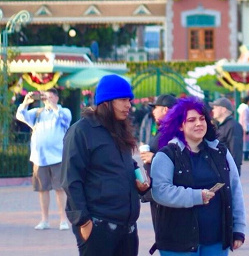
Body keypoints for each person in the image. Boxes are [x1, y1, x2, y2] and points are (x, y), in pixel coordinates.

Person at [61, 74, 150, 256]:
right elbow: (71, 179)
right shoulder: (81, 131)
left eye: (130, 100)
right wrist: (83, 222)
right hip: (98, 226)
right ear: (107, 102)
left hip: (127, 228)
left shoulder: (119, 129)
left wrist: (138, 179)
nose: (129, 105)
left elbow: (124, 163)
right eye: (123, 100)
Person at [150, 97, 246, 255]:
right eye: (191, 120)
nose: (199, 124)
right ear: (180, 126)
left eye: (202, 119)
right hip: (177, 242)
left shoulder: (220, 152)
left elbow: (235, 190)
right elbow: (160, 191)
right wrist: (197, 196)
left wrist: (238, 229)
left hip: (216, 240)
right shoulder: (167, 155)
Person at [16, 88, 72, 230]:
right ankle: (44, 220)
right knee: (42, 189)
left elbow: (65, 120)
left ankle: (63, 220)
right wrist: (26, 102)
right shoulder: (37, 113)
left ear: (56, 98)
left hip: (57, 157)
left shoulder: (63, 111)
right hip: (39, 158)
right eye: (45, 97)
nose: (46, 99)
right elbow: (20, 116)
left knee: (60, 189)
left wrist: (52, 105)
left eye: (50, 97)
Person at [139, 93, 178, 230]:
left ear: (165, 109)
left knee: (167, 233)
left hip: (166, 192)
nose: (153, 111)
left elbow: (179, 159)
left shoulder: (173, 131)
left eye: (155, 108)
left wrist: (153, 157)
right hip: (157, 191)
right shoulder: (164, 129)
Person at [212, 97, 244, 174]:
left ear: (223, 110)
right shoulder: (219, 125)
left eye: (215, 108)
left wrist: (232, 171)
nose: (213, 110)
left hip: (227, 170)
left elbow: (235, 151)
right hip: (220, 169)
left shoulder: (233, 126)